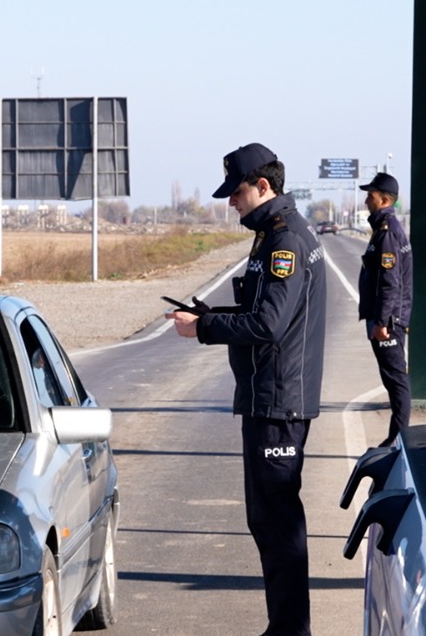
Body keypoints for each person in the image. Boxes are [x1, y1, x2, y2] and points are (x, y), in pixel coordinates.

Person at [167, 142, 326, 636]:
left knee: (277, 521)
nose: (231, 203)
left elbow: (269, 324)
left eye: (236, 193)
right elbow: (261, 313)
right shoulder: (271, 235)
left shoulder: (285, 241)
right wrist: (210, 314)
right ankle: (284, 626)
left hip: (278, 399)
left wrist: (204, 328)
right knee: (268, 519)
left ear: (263, 186)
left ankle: (290, 630)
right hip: (268, 395)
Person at [356, 171, 412, 443]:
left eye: (371, 196)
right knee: (393, 380)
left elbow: (390, 282)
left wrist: (381, 322)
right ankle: (396, 439)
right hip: (386, 319)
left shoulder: (388, 233)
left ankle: (397, 440)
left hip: (389, 322)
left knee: (396, 381)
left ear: (385, 200)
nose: (366, 201)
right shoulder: (383, 230)